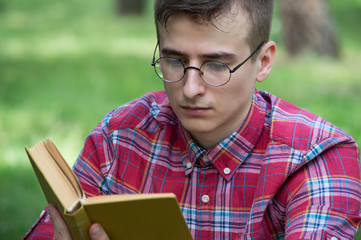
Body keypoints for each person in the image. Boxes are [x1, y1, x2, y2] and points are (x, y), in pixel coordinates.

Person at [24, 0, 361, 239]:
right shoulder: (120, 137)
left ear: (264, 61)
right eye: (174, 60)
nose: (190, 88)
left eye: (216, 65)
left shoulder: (320, 157)